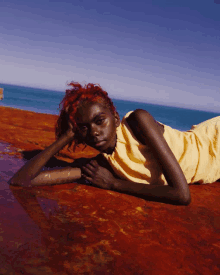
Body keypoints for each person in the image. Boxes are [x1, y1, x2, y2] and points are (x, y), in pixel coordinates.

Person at [9, 82, 220, 205]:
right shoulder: (101, 166)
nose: (94, 132)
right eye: (83, 128)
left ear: (116, 118)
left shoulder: (138, 121)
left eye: (100, 121)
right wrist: (64, 138)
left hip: (211, 143)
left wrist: (113, 184)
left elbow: (182, 195)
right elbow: (21, 181)